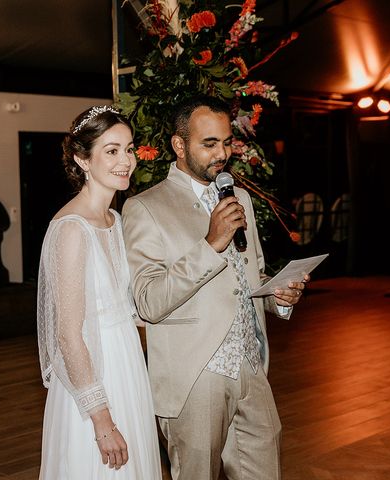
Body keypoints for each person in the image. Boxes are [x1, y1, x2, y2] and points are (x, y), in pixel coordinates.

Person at [121, 96, 307, 480]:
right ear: (179, 145)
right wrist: (210, 245)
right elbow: (147, 302)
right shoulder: (145, 208)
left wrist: (278, 297)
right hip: (194, 376)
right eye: (209, 144)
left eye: (226, 142)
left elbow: (250, 276)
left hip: (251, 367)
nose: (222, 154)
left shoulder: (240, 200)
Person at [37, 105, 162, 479]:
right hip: (95, 376)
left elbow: (128, 305)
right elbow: (68, 335)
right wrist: (102, 420)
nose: (126, 160)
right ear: (82, 160)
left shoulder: (115, 220)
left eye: (129, 148)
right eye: (111, 150)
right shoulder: (71, 229)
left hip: (128, 365)